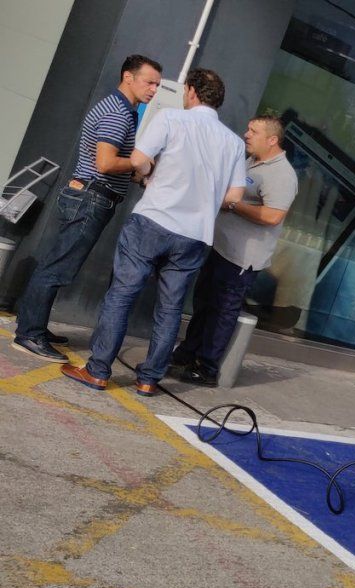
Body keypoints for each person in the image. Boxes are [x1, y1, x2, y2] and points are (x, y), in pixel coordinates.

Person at [61, 68, 246, 396]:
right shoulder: (232, 143)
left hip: (154, 219)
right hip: (195, 234)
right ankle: (148, 379)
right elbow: (233, 197)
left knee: (122, 294)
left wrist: (149, 175)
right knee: (171, 308)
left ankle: (98, 370)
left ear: (190, 92)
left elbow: (139, 159)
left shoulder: (171, 119)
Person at [10, 55, 162, 363]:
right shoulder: (118, 113)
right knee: (57, 268)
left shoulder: (122, 110)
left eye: (158, 84)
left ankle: (32, 324)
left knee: (55, 262)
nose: (154, 90)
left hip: (87, 195)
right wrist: (139, 163)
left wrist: (137, 173)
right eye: (149, 82)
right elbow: (105, 163)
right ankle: (29, 334)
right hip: (92, 198)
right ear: (128, 77)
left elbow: (107, 161)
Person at [170, 114, 298, 387]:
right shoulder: (251, 161)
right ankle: (187, 353)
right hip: (220, 247)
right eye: (248, 128)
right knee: (204, 304)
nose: (246, 134)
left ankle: (206, 367)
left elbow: (273, 215)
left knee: (222, 311)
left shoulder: (282, 174)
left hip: (242, 258)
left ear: (272, 139)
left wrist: (231, 204)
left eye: (254, 131)